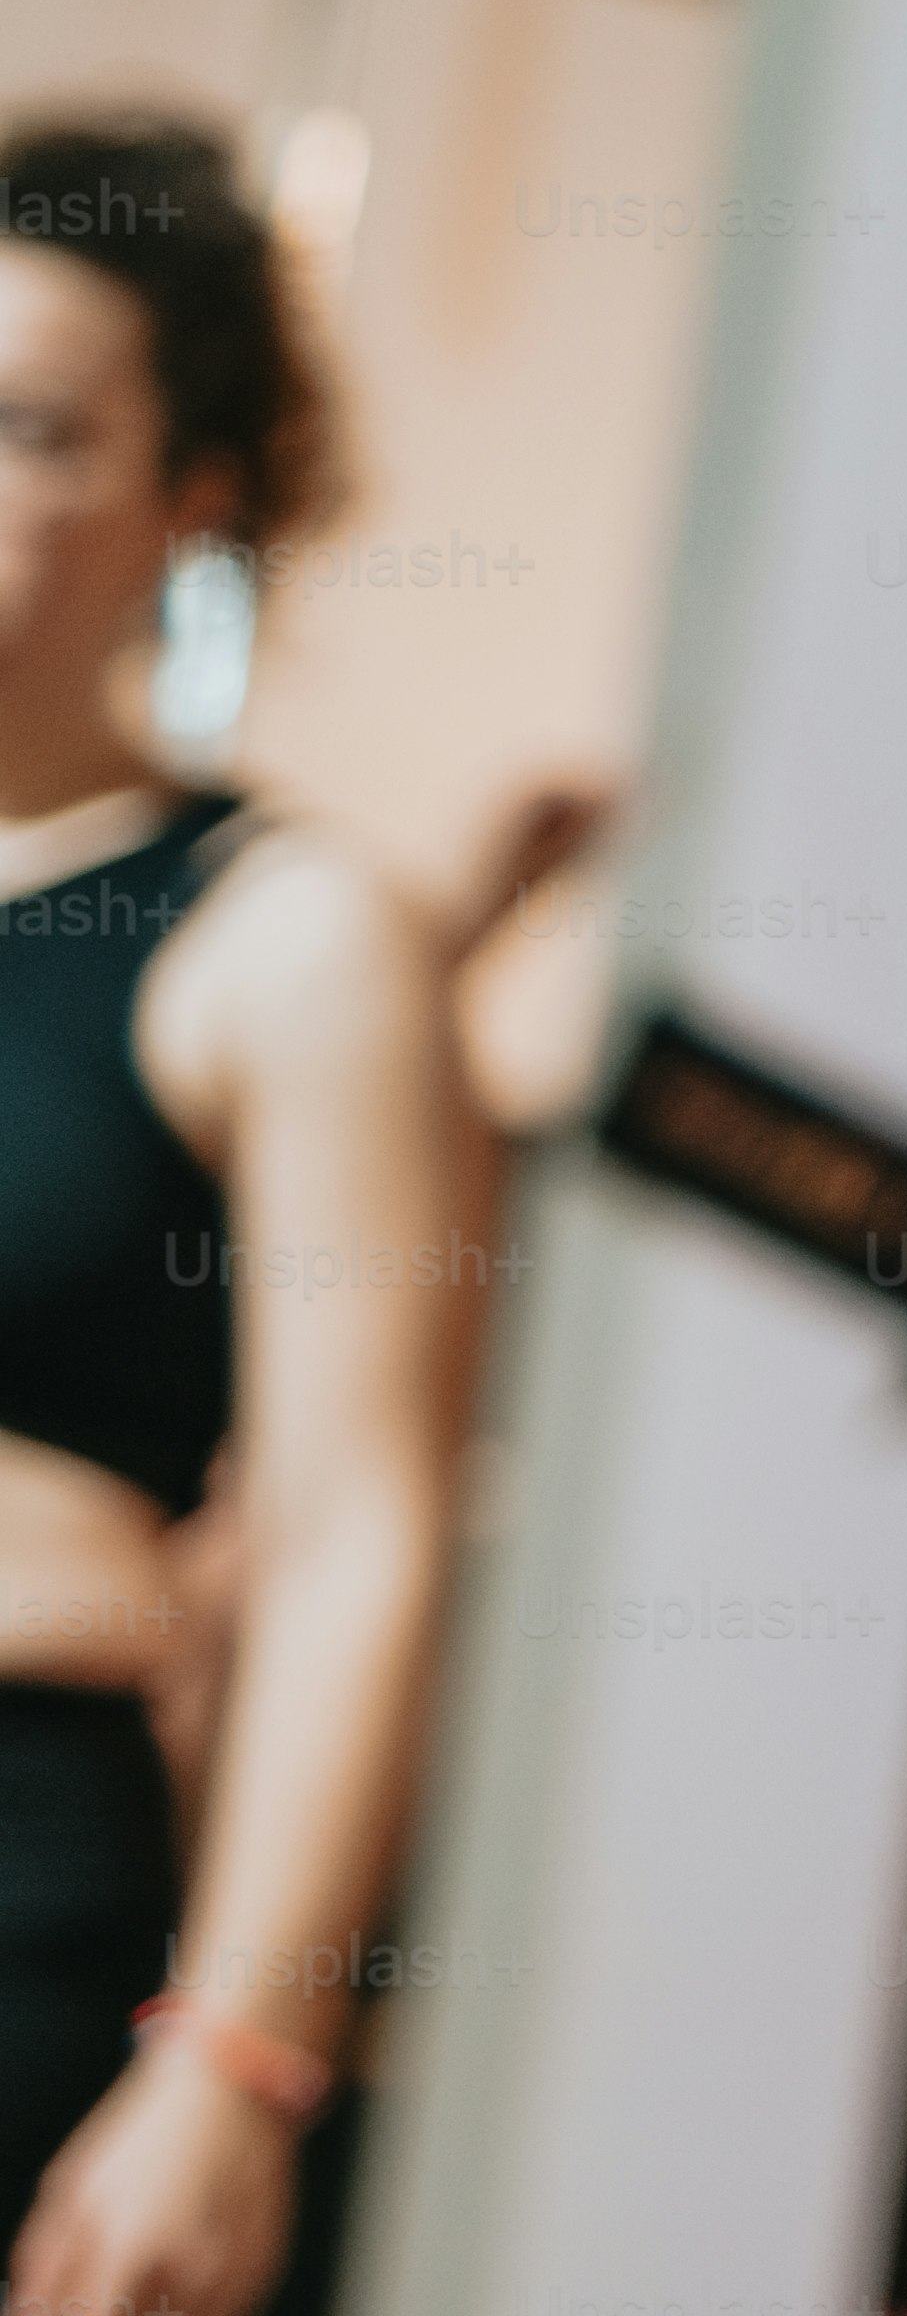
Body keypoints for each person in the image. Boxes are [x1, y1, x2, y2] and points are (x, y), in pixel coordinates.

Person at [0, 118, 475, 2316]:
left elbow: (362, 1533)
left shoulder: (282, 937)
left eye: (38, 429)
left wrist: (232, 2062)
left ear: (194, 494)